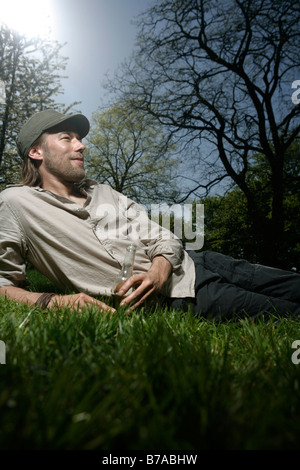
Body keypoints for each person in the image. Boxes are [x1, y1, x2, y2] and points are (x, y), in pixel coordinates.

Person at [0, 109, 299, 320]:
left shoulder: (104, 191)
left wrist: (158, 270)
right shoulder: (16, 203)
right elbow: (3, 286)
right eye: (67, 138)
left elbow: (158, 233)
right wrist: (55, 302)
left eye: (79, 138)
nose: (81, 145)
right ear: (36, 152)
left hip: (198, 261)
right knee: (288, 313)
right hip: (180, 298)